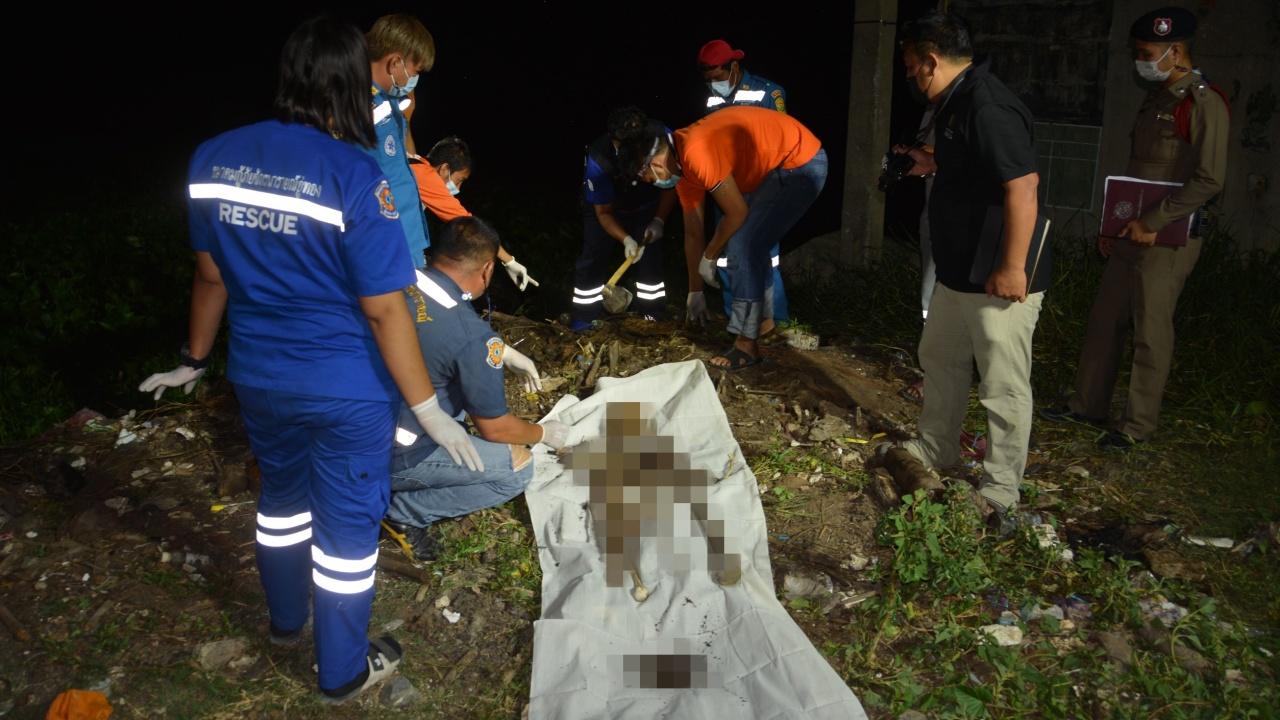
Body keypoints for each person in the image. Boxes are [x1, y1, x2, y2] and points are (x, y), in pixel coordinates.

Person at [137, 16, 481, 703]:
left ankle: (286, 622)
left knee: (283, 505)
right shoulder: (354, 174)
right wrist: (429, 411)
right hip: (346, 387)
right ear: (352, 82)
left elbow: (210, 275)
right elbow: (386, 310)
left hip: (259, 378)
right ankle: (343, 671)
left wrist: (193, 360)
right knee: (347, 531)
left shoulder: (214, 158)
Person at [1040, 7, 1228, 450]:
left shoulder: (1202, 103)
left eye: (1147, 54)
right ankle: (1087, 405)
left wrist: (1153, 221)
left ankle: (1136, 426)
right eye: (1139, 53)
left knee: (1151, 332)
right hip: (1132, 231)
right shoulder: (1159, 99)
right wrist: (1116, 224)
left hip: (1169, 237)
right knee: (1105, 319)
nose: (1140, 61)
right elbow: (1139, 175)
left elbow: (1209, 180)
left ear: (1175, 52)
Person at [888, 12, 1045, 516]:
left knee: (1002, 383)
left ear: (931, 61)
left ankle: (1001, 487)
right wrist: (931, 162)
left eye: (911, 67)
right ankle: (938, 447)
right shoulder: (956, 100)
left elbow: (1023, 186)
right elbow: (976, 165)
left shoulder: (988, 105)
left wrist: (1013, 267)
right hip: (959, 269)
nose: (910, 76)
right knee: (939, 357)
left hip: (996, 273)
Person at [383, 217, 573, 559]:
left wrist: (505, 351)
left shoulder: (390, 282)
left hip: (349, 425)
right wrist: (544, 433)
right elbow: (495, 428)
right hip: (395, 452)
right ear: (487, 269)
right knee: (518, 468)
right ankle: (403, 512)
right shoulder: (472, 336)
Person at [621, 105, 827, 368]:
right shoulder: (682, 168)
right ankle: (764, 326)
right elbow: (693, 231)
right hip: (769, 168)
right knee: (743, 240)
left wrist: (710, 255)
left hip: (799, 161)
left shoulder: (696, 152)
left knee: (743, 243)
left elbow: (737, 213)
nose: (656, 184)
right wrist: (695, 291)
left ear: (655, 164)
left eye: (650, 179)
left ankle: (746, 345)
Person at [698, 39, 790, 328]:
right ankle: (737, 321)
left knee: (765, 255)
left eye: (718, 77)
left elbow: (782, 140)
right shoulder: (711, 98)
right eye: (709, 79)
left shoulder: (769, 92)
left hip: (762, 186)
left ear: (734, 67)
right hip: (726, 187)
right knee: (727, 257)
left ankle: (774, 321)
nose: (714, 84)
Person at [570, 106, 676, 331]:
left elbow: (672, 183)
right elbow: (603, 212)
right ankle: (584, 320)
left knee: (650, 260)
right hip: (606, 207)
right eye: (617, 143)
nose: (620, 148)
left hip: (646, 205)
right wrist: (626, 239)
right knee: (593, 256)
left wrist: (659, 220)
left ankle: (652, 316)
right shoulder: (600, 158)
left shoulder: (662, 139)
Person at [408, 136, 540, 290]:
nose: (459, 188)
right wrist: (509, 261)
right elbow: (470, 226)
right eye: (459, 180)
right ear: (444, 169)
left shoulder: (413, 162)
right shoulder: (426, 177)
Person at [367, 14, 435, 268]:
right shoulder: (358, 107)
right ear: (395, 63)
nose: (414, 80)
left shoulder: (389, 104)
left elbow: (403, 163)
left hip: (404, 242)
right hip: (383, 246)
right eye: (415, 71)